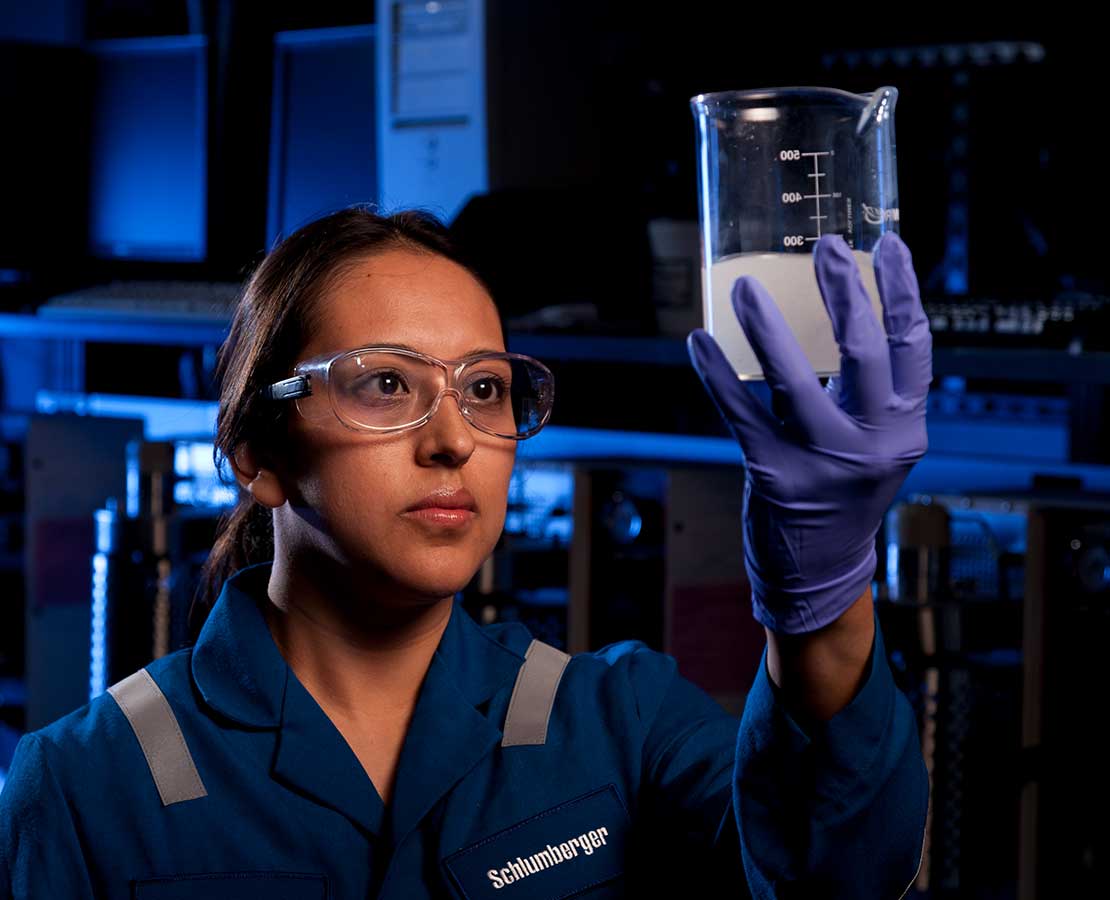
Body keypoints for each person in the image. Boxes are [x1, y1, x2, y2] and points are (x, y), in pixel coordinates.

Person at [0, 207, 931, 899]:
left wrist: (825, 608)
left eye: (485, 389)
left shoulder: (617, 725)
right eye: (387, 384)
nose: (454, 440)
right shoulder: (87, 789)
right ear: (260, 459)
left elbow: (829, 875)